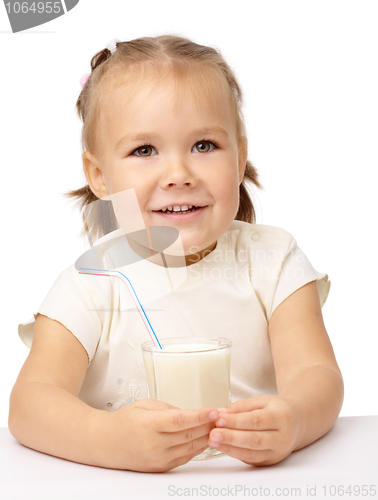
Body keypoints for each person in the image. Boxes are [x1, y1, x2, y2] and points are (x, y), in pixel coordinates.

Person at [9, 35, 343, 473]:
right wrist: (108, 440)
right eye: (144, 150)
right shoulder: (91, 286)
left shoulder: (273, 260)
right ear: (100, 176)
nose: (179, 174)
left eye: (204, 145)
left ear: (240, 158)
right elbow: (29, 404)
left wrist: (295, 420)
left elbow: (317, 374)